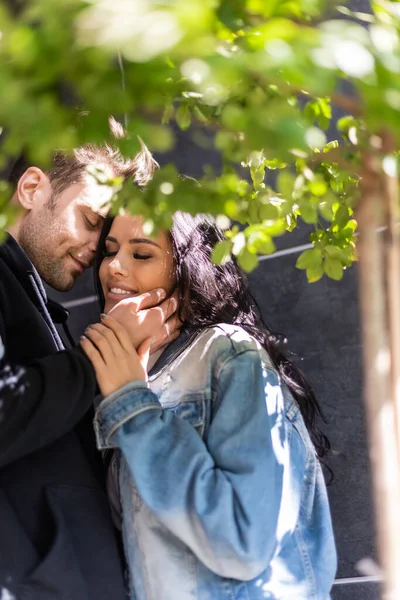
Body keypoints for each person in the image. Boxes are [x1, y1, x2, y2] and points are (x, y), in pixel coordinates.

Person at [81, 207, 338, 600]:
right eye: (109, 251)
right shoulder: (133, 377)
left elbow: (244, 542)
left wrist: (133, 407)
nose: (112, 267)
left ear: (187, 272)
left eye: (142, 254)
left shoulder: (227, 354)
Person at [0, 141, 178, 599]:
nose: (98, 251)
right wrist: (98, 354)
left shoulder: (36, 301)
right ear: (32, 187)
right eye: (92, 221)